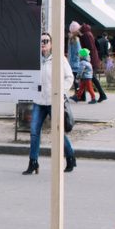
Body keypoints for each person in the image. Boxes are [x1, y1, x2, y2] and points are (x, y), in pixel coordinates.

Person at [23, 32, 76, 175]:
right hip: (39, 101)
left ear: (51, 44)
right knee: (34, 132)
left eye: (46, 41)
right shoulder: (34, 60)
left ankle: (70, 157)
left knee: (57, 131)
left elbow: (69, 77)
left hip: (54, 101)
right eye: (41, 41)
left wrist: (61, 91)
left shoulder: (59, 59)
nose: (43, 43)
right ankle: (33, 162)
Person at [79, 23, 107, 102]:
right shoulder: (88, 34)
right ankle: (81, 95)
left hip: (91, 60)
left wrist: (86, 59)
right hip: (93, 59)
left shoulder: (86, 35)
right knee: (88, 77)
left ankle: (101, 94)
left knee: (91, 77)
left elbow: (89, 48)